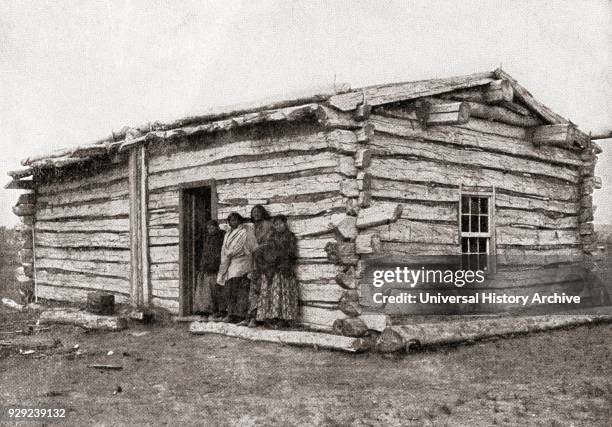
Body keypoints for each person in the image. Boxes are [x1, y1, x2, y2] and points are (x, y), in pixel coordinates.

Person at [254, 214, 300, 327]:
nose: (278, 226)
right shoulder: (272, 237)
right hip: (272, 268)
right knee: (272, 293)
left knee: (282, 293)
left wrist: (279, 254)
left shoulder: (290, 236)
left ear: (285, 224)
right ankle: (271, 317)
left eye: (280, 224)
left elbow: (292, 253)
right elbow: (267, 251)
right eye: (276, 224)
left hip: (284, 268)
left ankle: (284, 318)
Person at [216, 213, 252, 323]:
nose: (233, 222)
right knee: (229, 290)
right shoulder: (227, 234)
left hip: (240, 262)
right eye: (231, 220)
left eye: (236, 220)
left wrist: (227, 254)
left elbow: (237, 248)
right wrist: (225, 257)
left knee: (239, 290)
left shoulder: (243, 232)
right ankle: (230, 314)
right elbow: (224, 249)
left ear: (240, 221)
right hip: (229, 263)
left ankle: (239, 315)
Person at [243, 205, 274, 327]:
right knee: (254, 289)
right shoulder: (251, 228)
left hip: (265, 261)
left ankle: (264, 317)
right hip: (253, 262)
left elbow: (270, 241)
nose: (256, 214)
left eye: (258, 212)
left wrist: (259, 248)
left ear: (263, 213)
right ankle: (252, 317)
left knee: (266, 288)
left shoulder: (268, 225)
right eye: (254, 212)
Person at [193, 220, 225, 321]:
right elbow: (204, 253)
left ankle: (216, 311)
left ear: (217, 227)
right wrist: (202, 266)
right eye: (209, 228)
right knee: (204, 292)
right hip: (205, 268)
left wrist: (216, 265)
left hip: (216, 268)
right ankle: (204, 313)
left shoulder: (221, 237)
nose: (210, 229)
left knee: (215, 290)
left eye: (212, 227)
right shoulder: (206, 238)